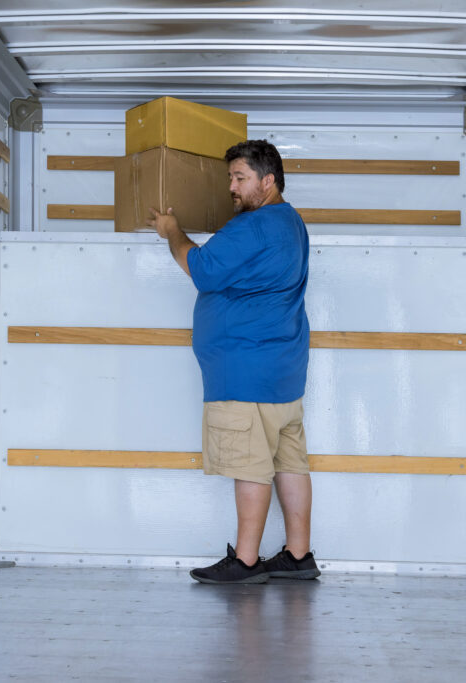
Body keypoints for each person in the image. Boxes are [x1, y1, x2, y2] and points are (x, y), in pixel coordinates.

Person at [146, 139, 320, 584]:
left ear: (269, 180)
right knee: (289, 464)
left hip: (245, 374)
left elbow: (201, 267)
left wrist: (171, 230)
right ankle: (298, 555)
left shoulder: (254, 227)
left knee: (250, 466)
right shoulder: (292, 222)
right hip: (283, 374)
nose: (232, 188)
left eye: (240, 178)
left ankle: (245, 561)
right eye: (230, 178)